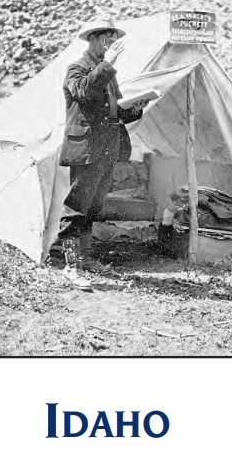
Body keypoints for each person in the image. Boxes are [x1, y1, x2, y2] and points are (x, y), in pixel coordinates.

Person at [58, 15, 149, 290]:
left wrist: (137, 106)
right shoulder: (77, 69)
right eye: (107, 38)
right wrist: (109, 65)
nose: (112, 43)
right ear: (93, 39)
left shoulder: (106, 72)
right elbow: (85, 92)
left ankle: (84, 258)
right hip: (86, 149)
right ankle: (71, 265)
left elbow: (113, 111)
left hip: (106, 149)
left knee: (93, 206)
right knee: (77, 207)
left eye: (113, 39)